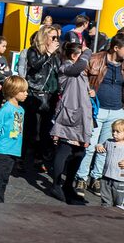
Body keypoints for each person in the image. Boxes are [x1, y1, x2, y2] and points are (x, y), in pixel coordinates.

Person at [75, 33, 124, 197]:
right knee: (89, 145)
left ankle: (95, 177)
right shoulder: (96, 59)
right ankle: (81, 177)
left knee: (104, 147)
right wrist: (86, 91)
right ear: (116, 48)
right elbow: (81, 76)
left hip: (116, 110)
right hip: (97, 109)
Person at [49, 43, 93, 202]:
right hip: (70, 116)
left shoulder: (78, 69)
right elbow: (79, 67)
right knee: (65, 149)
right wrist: (87, 52)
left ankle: (68, 185)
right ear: (75, 56)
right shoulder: (66, 67)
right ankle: (56, 185)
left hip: (81, 117)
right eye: (80, 54)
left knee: (80, 152)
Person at [24, 25, 61, 171]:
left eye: (56, 37)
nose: (55, 40)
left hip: (51, 95)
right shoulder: (33, 51)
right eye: (52, 37)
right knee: (32, 129)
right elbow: (34, 67)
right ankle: (21, 158)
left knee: (45, 130)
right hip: (36, 93)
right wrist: (48, 53)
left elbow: (58, 73)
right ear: (44, 36)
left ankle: (39, 158)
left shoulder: (56, 55)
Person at [0, 75, 28, 203]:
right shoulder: (6, 110)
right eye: (23, 91)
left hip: (13, 150)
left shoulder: (20, 109)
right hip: (2, 150)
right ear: (14, 92)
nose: (26, 93)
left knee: (4, 179)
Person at [96, 119, 124, 208]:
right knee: (105, 200)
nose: (114, 133)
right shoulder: (109, 142)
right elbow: (100, 146)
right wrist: (98, 146)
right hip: (106, 176)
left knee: (118, 202)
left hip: (119, 179)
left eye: (118, 132)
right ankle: (104, 214)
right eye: (113, 131)